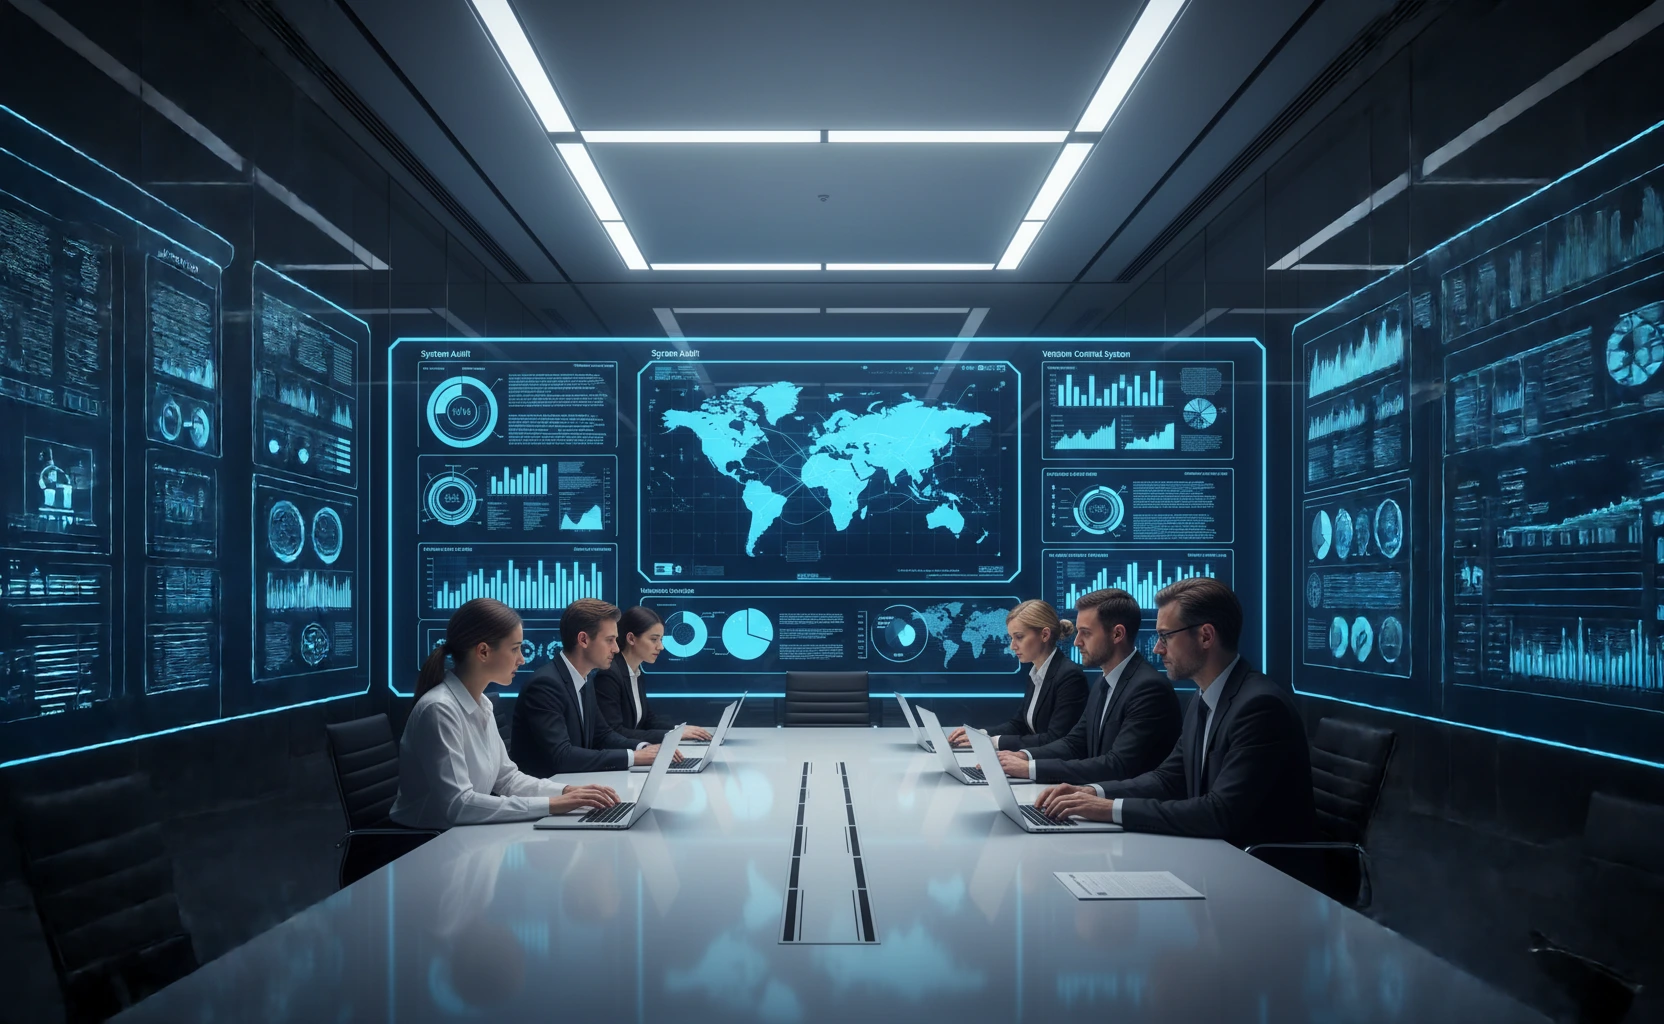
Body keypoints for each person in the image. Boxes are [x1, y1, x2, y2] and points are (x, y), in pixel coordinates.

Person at [1035, 577, 1317, 848]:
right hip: (1215, 856)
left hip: (1266, 872)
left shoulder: (1260, 707)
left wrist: (1109, 809)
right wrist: (1093, 793)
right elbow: (1168, 778)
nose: (1157, 648)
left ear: (1206, 636)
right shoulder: (1204, 697)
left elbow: (1219, 812)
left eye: (1165, 636)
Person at [390, 597, 619, 829]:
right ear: (483, 652)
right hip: (423, 844)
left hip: (461, 837)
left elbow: (507, 779)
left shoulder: (483, 704)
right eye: (515, 649)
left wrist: (568, 792)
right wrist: (553, 804)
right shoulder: (439, 709)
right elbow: (458, 805)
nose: (521, 659)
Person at [992, 588, 1181, 784]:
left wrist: (1030, 769)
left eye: (1086, 633)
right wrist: (1024, 756)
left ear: (1117, 634)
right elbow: (1075, 743)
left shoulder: (1148, 689)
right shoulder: (1104, 682)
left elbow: (1117, 765)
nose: (1076, 642)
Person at [510, 598, 679, 775]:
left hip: (577, 785)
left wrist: (644, 748)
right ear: (583, 639)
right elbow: (562, 756)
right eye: (610, 640)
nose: (615, 648)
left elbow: (603, 735)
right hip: (546, 793)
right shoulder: (545, 685)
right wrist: (634, 757)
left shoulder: (585, 679)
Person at [946, 599, 1088, 751]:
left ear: (1045, 635)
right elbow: (1019, 724)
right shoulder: (1037, 673)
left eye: (1019, 637)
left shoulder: (1069, 676)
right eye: (1011, 638)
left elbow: (1055, 739)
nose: (1012, 646)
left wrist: (995, 742)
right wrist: (981, 735)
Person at [592, 606, 712, 744]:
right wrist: (672, 734)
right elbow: (615, 732)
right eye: (654, 639)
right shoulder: (609, 675)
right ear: (631, 638)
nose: (660, 647)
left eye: (660, 639)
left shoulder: (636, 672)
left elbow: (647, 720)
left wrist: (679, 730)